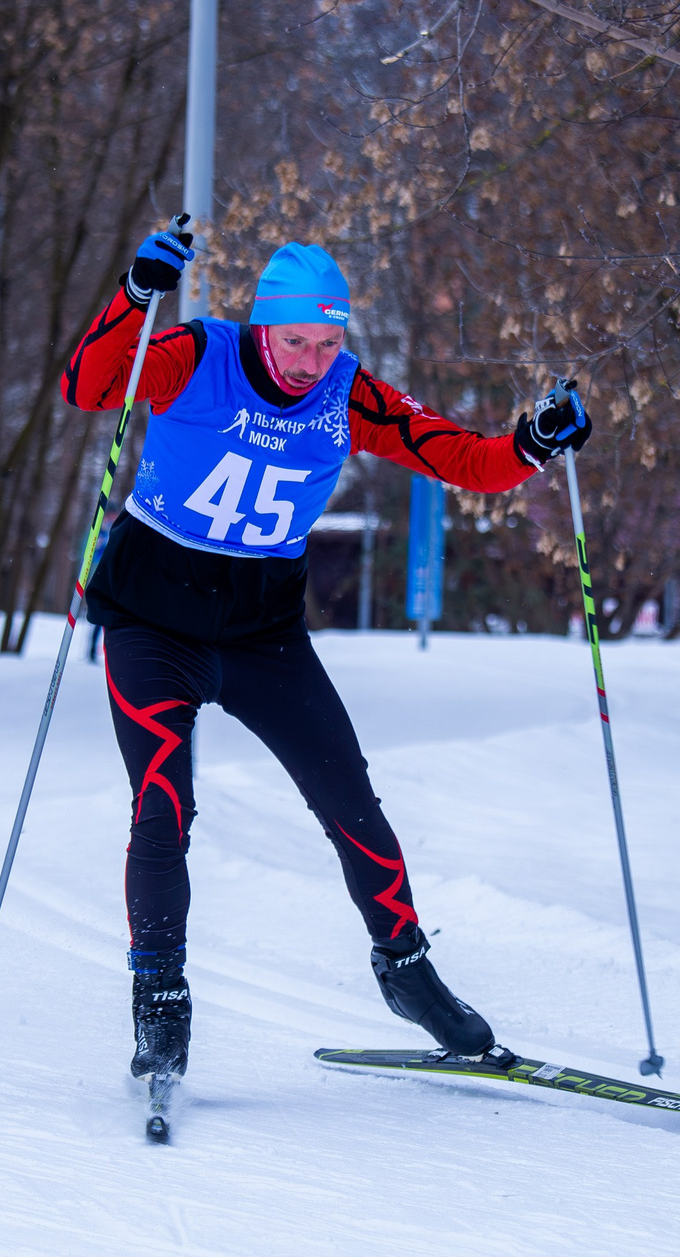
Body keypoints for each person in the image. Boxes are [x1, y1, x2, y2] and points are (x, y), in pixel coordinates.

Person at [59, 226, 590, 1083]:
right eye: (297, 339)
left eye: (330, 341)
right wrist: (133, 291)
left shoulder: (348, 395)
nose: (311, 359)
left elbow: (460, 456)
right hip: (153, 622)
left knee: (351, 801)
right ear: (263, 327)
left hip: (264, 633)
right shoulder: (197, 353)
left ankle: (407, 971)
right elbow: (87, 383)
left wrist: (531, 442)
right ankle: (159, 1003)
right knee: (163, 809)